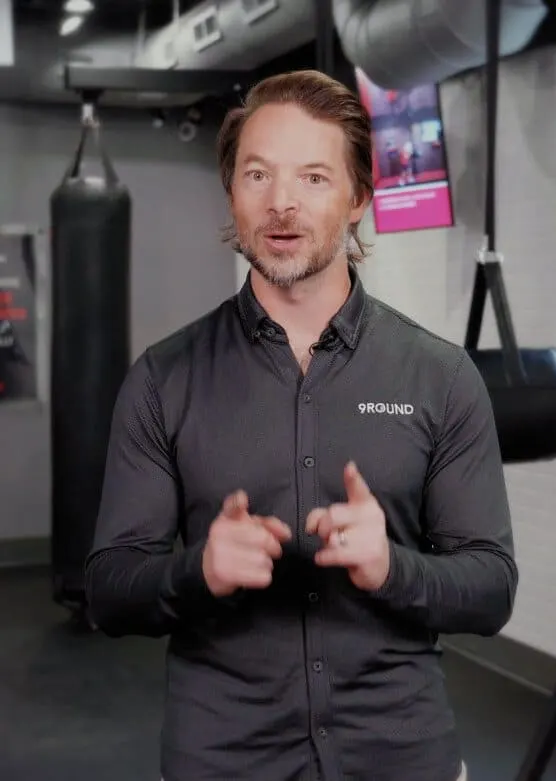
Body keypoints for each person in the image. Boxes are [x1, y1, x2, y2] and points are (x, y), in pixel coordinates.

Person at [85, 68, 518, 781]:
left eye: (314, 177)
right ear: (231, 190)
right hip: (224, 757)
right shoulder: (165, 379)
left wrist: (392, 566)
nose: (280, 202)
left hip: (398, 753)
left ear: (359, 198)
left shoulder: (440, 378)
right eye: (257, 174)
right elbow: (109, 587)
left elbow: (491, 586)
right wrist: (199, 571)